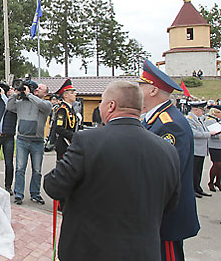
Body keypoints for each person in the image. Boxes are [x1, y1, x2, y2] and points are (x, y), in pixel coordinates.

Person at [44, 81, 181, 261]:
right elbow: (171, 205)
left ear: (111, 106)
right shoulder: (167, 150)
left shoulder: (87, 141)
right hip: (143, 253)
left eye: (101, 102)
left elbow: (54, 186)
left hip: (90, 251)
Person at [138, 59, 199, 261]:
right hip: (155, 214)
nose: (138, 90)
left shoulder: (171, 125)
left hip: (166, 218)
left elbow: (166, 175)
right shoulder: (154, 119)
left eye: (141, 85)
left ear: (153, 90)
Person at [7, 81, 51, 205]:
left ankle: (35, 194)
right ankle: (19, 194)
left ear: (45, 93)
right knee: (20, 169)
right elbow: (9, 107)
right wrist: (16, 94)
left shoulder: (45, 104)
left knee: (37, 170)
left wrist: (30, 95)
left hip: (37, 142)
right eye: (36, 88)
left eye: (40, 89)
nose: (37, 90)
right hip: (22, 140)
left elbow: (43, 106)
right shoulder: (21, 103)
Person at [187, 100, 217, 197]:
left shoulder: (199, 119)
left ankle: (198, 188)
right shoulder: (190, 119)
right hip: (195, 149)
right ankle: (192, 189)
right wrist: (209, 134)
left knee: (199, 170)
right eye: (202, 110)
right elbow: (194, 133)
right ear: (196, 110)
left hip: (201, 149)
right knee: (194, 171)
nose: (203, 112)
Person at [48, 79, 78, 161]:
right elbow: (58, 128)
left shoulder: (71, 109)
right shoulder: (62, 110)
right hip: (64, 143)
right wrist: (73, 136)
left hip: (70, 142)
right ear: (65, 96)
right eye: (72, 93)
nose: (75, 94)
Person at [205, 105, 221, 191]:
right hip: (214, 145)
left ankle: (218, 182)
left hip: (220, 145)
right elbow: (210, 134)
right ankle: (211, 182)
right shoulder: (210, 121)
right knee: (217, 164)